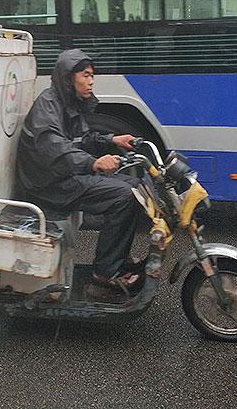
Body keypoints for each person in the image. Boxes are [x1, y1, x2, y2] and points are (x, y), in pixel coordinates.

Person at [16, 49, 144, 293]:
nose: (91, 81)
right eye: (85, 75)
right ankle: (105, 272)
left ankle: (116, 257)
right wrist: (93, 163)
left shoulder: (67, 102)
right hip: (47, 185)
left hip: (62, 175)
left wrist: (112, 140)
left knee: (136, 187)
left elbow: (81, 139)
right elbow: (54, 148)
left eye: (92, 76)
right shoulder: (48, 104)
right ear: (68, 77)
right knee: (124, 196)